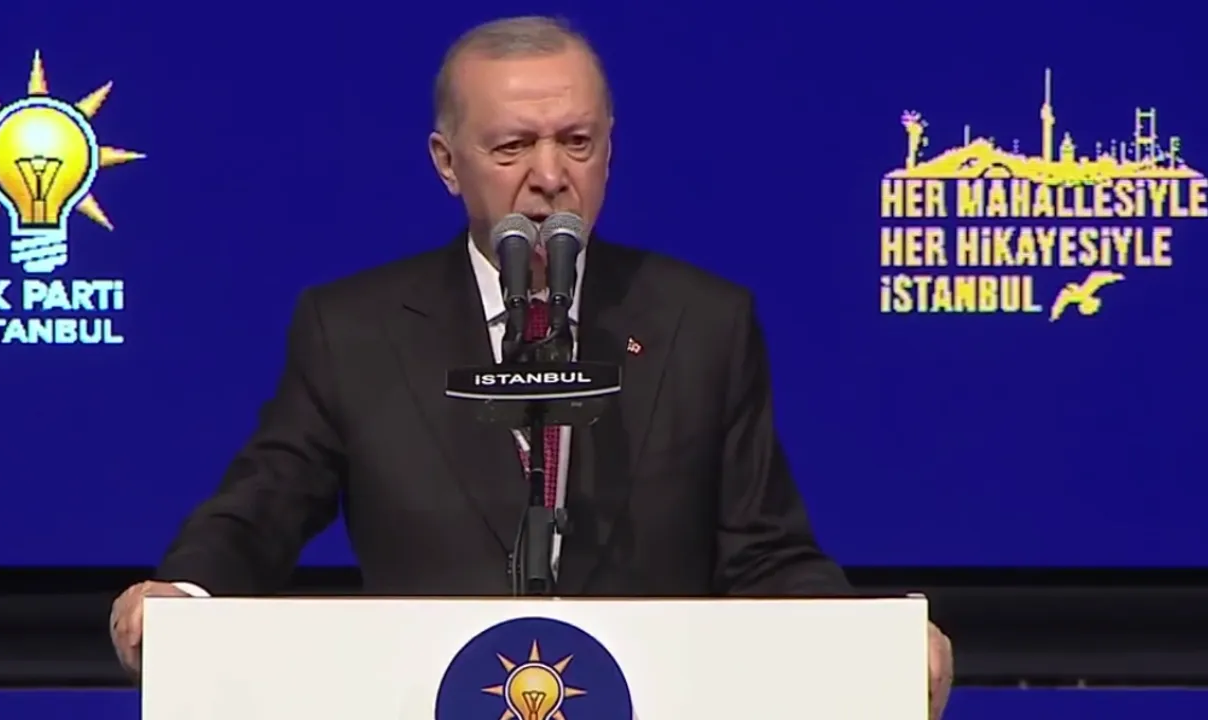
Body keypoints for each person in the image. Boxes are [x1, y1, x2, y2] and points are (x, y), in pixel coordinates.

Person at [109, 15, 953, 717]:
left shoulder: (701, 323)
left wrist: (868, 644)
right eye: (513, 146)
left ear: (610, 149)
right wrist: (185, 597)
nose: (551, 177)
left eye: (577, 142)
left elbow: (764, 553)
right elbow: (263, 507)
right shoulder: (354, 330)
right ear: (447, 163)